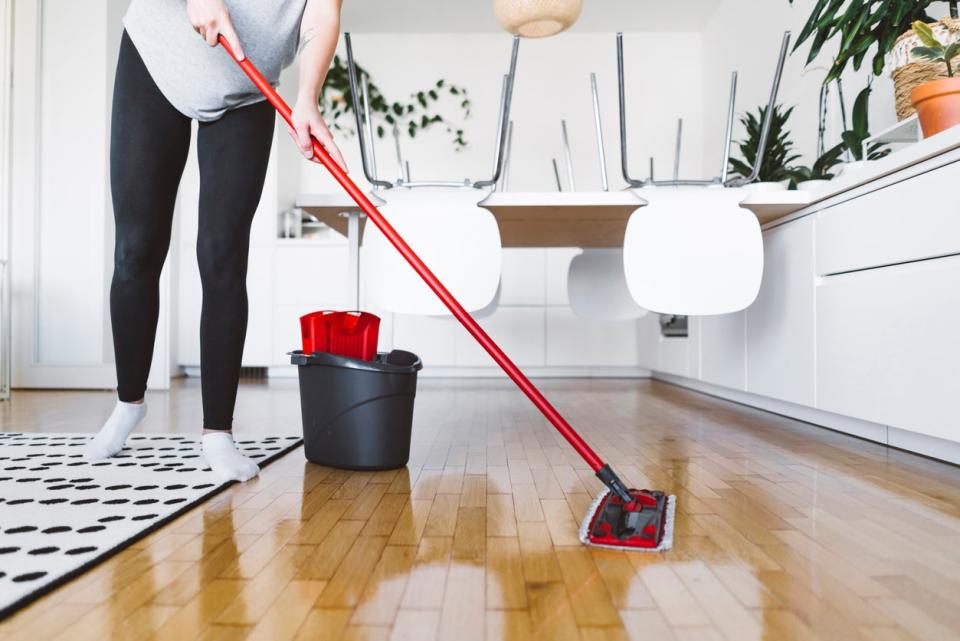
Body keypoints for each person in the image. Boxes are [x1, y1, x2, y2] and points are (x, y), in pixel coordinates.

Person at [83, 0, 347, 481]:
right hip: (157, 56)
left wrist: (307, 94)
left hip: (247, 87)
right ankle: (129, 403)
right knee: (136, 248)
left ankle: (218, 434)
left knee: (223, 254)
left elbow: (322, 16)